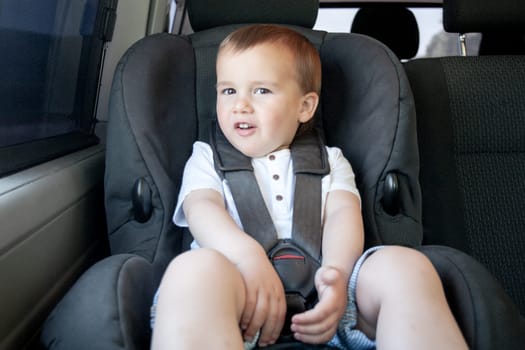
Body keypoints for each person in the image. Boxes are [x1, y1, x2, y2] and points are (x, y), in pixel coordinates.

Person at [150, 24, 467, 350]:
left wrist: (337, 275)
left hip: (331, 298)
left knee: (405, 266)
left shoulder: (331, 161)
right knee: (193, 271)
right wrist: (247, 257)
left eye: (261, 91)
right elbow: (201, 208)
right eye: (228, 91)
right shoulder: (205, 157)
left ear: (305, 107)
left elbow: (342, 214)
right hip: (233, 296)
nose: (240, 105)